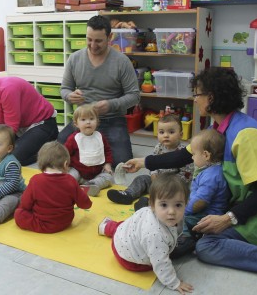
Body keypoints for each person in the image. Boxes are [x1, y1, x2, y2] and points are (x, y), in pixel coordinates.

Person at [124, 67, 257, 279]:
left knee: (207, 246)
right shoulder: (219, 128)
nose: (195, 99)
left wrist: (227, 219)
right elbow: (183, 156)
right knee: (191, 221)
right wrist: (143, 161)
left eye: (197, 94)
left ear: (211, 97)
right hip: (244, 202)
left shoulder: (247, 135)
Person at [58, 15, 140, 166]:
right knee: (58, 151)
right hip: (83, 119)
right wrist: (70, 96)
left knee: (122, 161)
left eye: (98, 41)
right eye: (89, 39)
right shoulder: (75, 59)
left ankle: (96, 149)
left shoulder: (122, 61)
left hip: (112, 119)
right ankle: (93, 150)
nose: (93, 45)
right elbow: (64, 89)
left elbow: (134, 96)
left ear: (110, 37)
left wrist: (111, 105)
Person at [98, 174, 194, 294]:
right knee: (163, 256)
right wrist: (174, 283)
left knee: (124, 226)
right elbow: (161, 263)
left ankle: (107, 227)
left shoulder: (149, 212)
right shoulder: (155, 235)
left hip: (123, 233)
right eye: (164, 205)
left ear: (186, 204)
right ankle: (109, 228)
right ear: (152, 205)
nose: (171, 211)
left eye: (178, 205)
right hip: (128, 259)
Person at [107, 114, 193, 207]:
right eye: (161, 132)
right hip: (156, 181)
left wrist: (170, 183)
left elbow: (187, 174)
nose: (166, 135)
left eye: (171, 132)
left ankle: (148, 204)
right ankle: (128, 194)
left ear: (181, 135)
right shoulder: (158, 148)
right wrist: (153, 175)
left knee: (172, 196)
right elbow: (153, 164)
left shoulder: (184, 152)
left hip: (173, 186)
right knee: (141, 179)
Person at [173, 128, 229, 258]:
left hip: (208, 214)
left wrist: (182, 211)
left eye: (193, 154)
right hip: (201, 208)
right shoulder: (210, 170)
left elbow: (200, 203)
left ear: (206, 155)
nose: (192, 157)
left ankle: (187, 239)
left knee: (186, 218)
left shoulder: (211, 176)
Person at [14, 141, 92, 233]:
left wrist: (22, 209)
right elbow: (85, 204)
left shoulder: (35, 180)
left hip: (41, 223)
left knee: (18, 214)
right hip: (65, 222)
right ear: (65, 164)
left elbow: (25, 203)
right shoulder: (71, 180)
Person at [64, 104, 113, 197]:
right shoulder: (73, 138)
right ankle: (69, 185)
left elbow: (107, 151)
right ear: (76, 123)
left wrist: (107, 164)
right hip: (78, 171)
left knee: (109, 177)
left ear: (97, 121)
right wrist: (65, 166)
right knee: (70, 176)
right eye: (83, 120)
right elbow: (65, 154)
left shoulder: (100, 137)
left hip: (97, 173)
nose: (88, 122)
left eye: (91, 119)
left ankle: (92, 185)